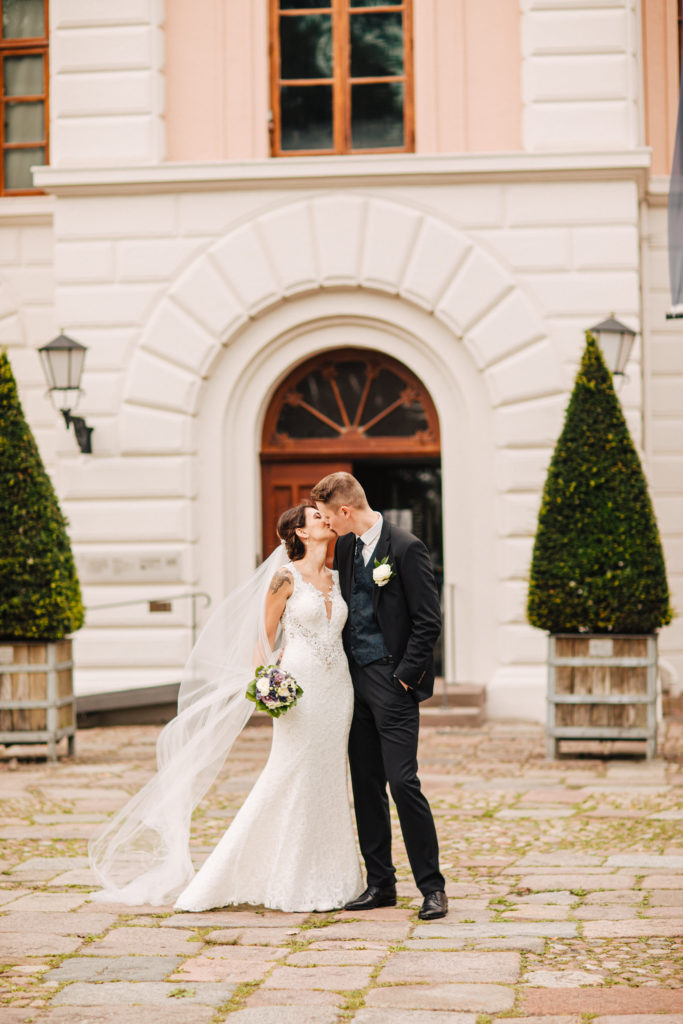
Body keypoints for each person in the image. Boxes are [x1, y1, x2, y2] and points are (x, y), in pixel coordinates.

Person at [89, 504, 362, 912]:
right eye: (315, 517)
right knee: (287, 773)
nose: (325, 519)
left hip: (337, 689)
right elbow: (261, 640)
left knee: (328, 779)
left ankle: (330, 875)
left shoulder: (339, 580)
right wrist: (269, 686)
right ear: (301, 533)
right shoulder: (284, 578)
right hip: (299, 689)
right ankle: (237, 874)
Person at [311, 472, 448, 921]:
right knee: (365, 785)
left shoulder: (407, 548)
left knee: (402, 782)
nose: (327, 525)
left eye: (329, 517)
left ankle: (432, 887)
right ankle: (380, 884)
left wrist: (405, 678)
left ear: (345, 511)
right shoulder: (348, 547)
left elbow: (428, 621)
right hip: (353, 686)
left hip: (393, 684)